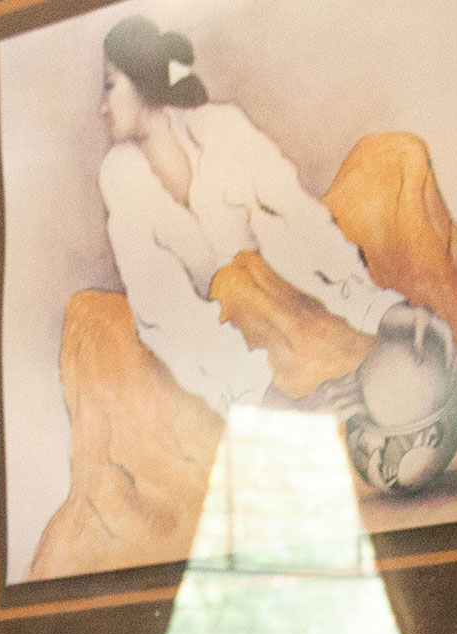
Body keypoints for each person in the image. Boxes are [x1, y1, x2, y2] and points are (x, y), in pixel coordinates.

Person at [90, 15, 432, 420]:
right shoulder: (119, 174)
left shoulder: (222, 128)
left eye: (110, 85)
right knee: (96, 332)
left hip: (293, 300)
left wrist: (379, 310)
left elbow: (295, 222)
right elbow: (164, 311)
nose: (101, 107)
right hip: (220, 358)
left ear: (143, 82)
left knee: (392, 165)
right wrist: (275, 403)